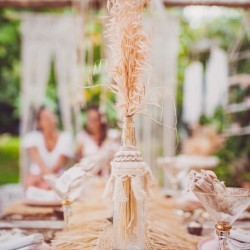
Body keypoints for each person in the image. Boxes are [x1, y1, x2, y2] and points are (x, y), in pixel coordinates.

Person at [23, 107, 73, 189]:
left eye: (52, 116)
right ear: (39, 123)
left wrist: (43, 180)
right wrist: (39, 179)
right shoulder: (32, 137)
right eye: (46, 117)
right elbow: (39, 163)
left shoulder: (65, 138)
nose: (50, 120)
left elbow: (58, 166)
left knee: (45, 187)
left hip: (55, 177)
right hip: (36, 177)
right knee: (31, 184)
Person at [76, 106, 120, 176]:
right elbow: (78, 160)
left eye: (95, 119)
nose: (93, 123)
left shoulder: (112, 136)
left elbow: (117, 159)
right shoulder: (82, 137)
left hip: (108, 177)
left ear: (101, 120)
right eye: (90, 120)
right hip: (89, 179)